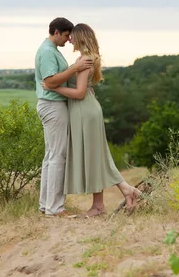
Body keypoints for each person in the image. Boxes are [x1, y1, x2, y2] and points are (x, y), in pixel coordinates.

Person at [42, 23, 141, 217]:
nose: (69, 39)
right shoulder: (88, 58)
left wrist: (53, 88)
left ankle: (104, 203)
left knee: (95, 156)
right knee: (96, 156)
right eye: (68, 36)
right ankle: (106, 201)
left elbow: (79, 93)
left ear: (80, 37)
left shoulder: (85, 59)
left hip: (84, 111)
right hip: (86, 109)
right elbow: (85, 89)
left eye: (72, 36)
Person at [35, 17, 93, 217]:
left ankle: (46, 205)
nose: (69, 40)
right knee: (58, 156)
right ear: (57, 32)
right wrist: (75, 69)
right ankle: (55, 208)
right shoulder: (48, 52)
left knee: (51, 156)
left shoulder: (51, 51)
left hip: (52, 105)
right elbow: (50, 82)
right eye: (67, 35)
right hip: (53, 105)